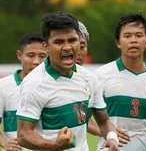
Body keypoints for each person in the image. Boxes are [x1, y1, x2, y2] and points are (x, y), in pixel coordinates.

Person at [16, 12, 119, 150]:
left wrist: (112, 138)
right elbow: (23, 135)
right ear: (46, 46)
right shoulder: (34, 83)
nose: (67, 47)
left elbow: (103, 120)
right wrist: (56, 145)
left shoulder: (89, 78)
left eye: (72, 40)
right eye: (59, 42)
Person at [93, 11, 146, 150]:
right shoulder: (100, 75)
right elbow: (84, 120)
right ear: (118, 43)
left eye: (139, 35)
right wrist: (109, 132)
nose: (133, 40)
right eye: (127, 36)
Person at [0, 32, 47, 151]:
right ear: (19, 55)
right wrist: (5, 144)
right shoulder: (3, 85)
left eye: (42, 56)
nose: (36, 61)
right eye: (30, 55)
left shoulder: (53, 85)